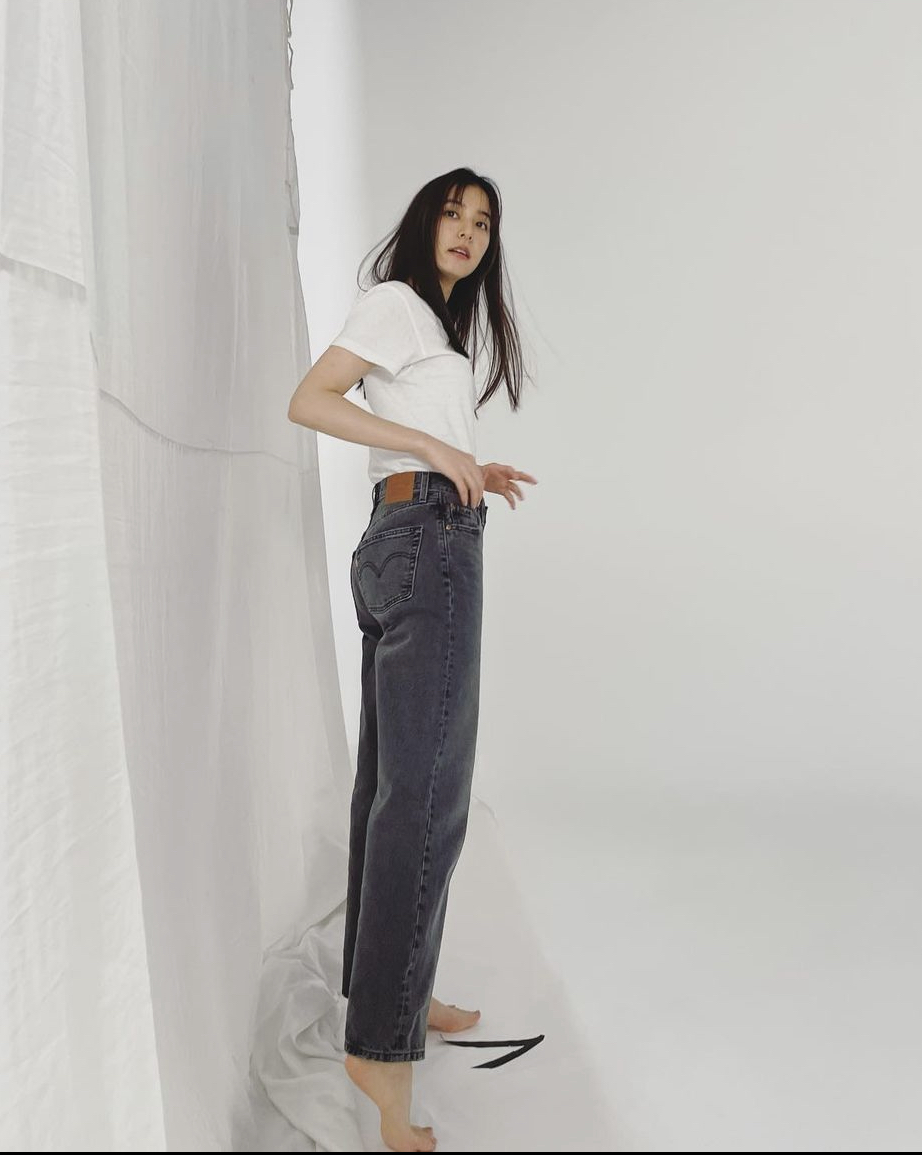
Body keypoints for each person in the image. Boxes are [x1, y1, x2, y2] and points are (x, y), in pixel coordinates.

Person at [287, 167, 536, 1153]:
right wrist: (434, 455)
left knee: (390, 790)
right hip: (425, 546)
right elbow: (311, 398)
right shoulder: (395, 302)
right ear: (422, 220)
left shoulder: (432, 329)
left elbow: (411, 435)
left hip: (406, 538)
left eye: (483, 222)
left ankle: (392, 990)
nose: (467, 231)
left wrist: (464, 460)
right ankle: (382, 1052)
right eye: (452, 212)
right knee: (427, 796)